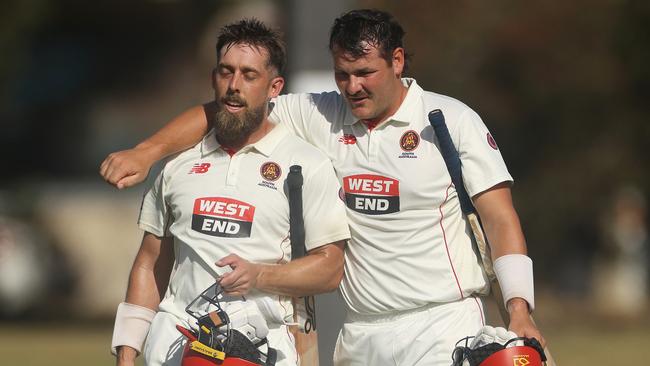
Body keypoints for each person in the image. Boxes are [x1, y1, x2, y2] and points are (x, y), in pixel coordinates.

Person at [102, 9, 545, 366]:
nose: (352, 87)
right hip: (359, 333)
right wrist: (147, 152)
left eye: (365, 72)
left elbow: (500, 219)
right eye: (342, 74)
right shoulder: (319, 113)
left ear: (397, 60)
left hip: (444, 322)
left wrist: (519, 307)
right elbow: (226, 107)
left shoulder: (449, 121)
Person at [109, 19, 350, 366]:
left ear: (274, 87)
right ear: (214, 78)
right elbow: (150, 264)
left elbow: (330, 270)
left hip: (263, 350)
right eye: (226, 72)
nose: (235, 85)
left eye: (249, 75)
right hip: (173, 349)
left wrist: (260, 275)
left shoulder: (305, 164)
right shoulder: (176, 165)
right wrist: (127, 352)